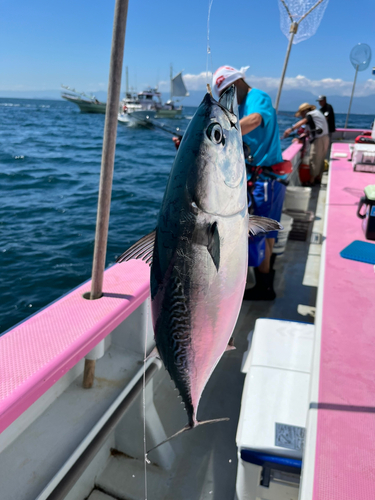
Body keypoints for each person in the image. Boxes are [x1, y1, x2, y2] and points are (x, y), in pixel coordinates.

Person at [212, 65, 289, 301]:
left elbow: (255, 120)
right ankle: (264, 282)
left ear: (237, 82)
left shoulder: (257, 97)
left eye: (228, 89)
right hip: (257, 180)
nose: (228, 95)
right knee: (265, 231)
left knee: (259, 231)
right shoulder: (239, 106)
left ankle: (263, 285)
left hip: (265, 181)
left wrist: (218, 132)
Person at [283, 103, 329, 186]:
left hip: (319, 139)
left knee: (314, 159)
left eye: (301, 113)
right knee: (320, 159)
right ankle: (318, 178)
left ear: (305, 111)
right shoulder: (316, 113)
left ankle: (311, 182)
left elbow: (302, 122)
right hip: (325, 138)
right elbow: (309, 130)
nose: (301, 115)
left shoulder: (310, 114)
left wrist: (290, 130)